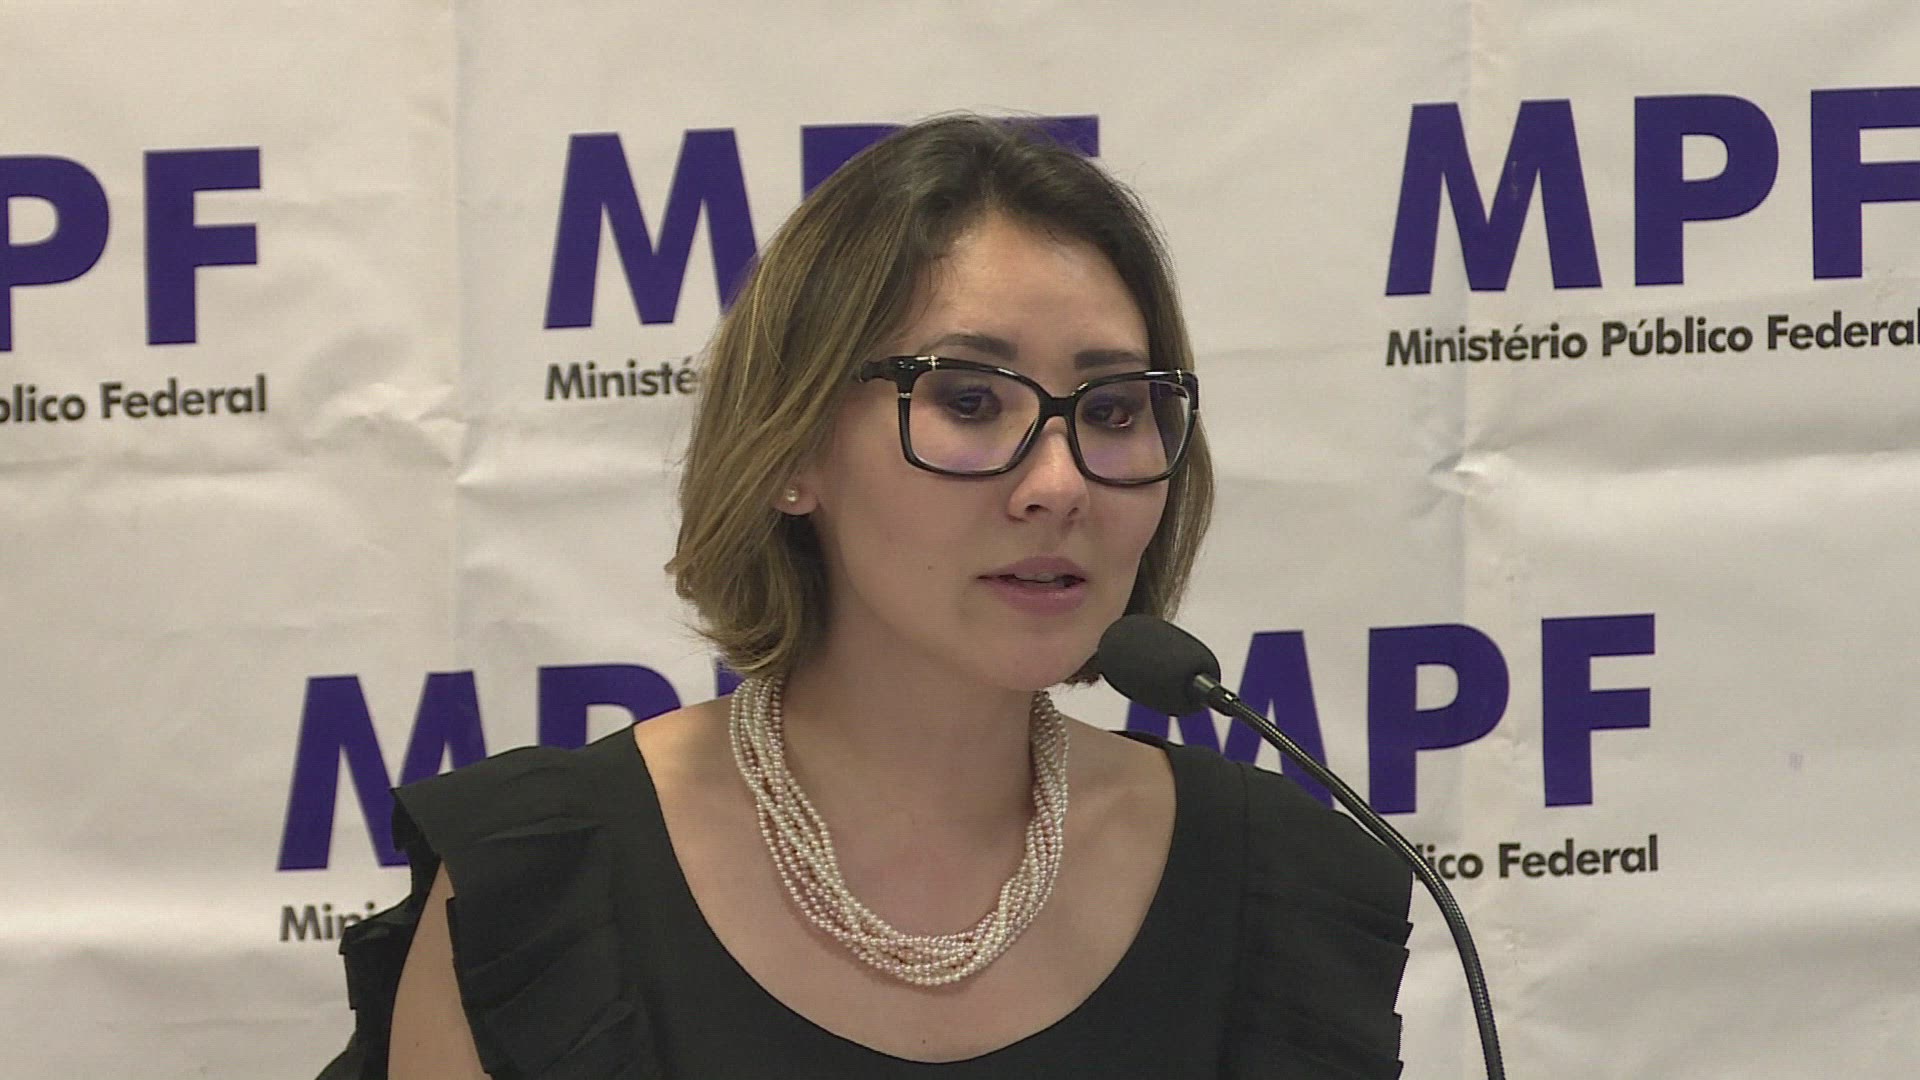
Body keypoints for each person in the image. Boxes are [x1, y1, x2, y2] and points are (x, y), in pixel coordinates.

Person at [320, 113, 1411, 1079]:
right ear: (793, 446)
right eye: (971, 400)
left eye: (1115, 411)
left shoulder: (1274, 885)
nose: (1060, 482)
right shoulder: (545, 886)